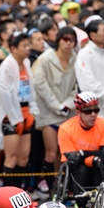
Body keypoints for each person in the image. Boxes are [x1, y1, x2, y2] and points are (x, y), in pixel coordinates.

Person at [31, 27, 78, 198]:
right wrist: (56, 105)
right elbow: (40, 84)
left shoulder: (76, 59)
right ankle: (50, 188)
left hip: (68, 111)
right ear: (58, 40)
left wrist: (66, 104)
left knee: (63, 152)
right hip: (49, 111)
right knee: (51, 151)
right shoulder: (45, 59)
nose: (67, 43)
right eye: (64, 39)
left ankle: (61, 186)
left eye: (71, 40)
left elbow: (77, 86)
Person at [58, 91, 104, 208]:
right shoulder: (66, 128)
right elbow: (71, 157)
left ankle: (96, 207)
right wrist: (90, 158)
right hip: (76, 168)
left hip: (97, 165)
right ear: (78, 112)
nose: (93, 114)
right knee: (81, 167)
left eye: (96, 110)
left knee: (101, 164)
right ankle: (83, 207)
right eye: (88, 111)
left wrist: (83, 154)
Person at [0, 32, 38, 189]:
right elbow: (5, 95)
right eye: (24, 46)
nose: (28, 48)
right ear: (13, 48)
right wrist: (16, 118)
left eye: (28, 45)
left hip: (25, 111)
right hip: (9, 114)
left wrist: (32, 112)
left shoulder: (26, 64)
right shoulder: (6, 66)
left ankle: (19, 190)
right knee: (11, 156)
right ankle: (7, 193)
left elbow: (31, 90)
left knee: (24, 157)